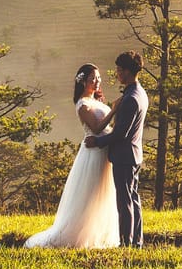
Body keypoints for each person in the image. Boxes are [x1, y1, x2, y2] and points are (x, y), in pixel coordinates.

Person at [24, 64, 120, 249]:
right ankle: (80, 235)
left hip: (104, 150)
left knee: (104, 194)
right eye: (93, 78)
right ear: (83, 82)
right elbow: (96, 127)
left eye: (98, 78)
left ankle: (100, 233)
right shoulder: (83, 104)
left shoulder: (96, 101)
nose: (97, 81)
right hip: (93, 153)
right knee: (91, 194)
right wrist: (114, 110)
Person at [84, 51, 148, 247]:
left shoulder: (130, 99)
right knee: (133, 198)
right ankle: (136, 241)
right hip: (133, 154)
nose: (117, 73)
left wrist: (98, 142)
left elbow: (121, 133)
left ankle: (126, 243)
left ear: (128, 72)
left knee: (125, 201)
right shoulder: (139, 93)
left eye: (120, 70)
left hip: (124, 156)